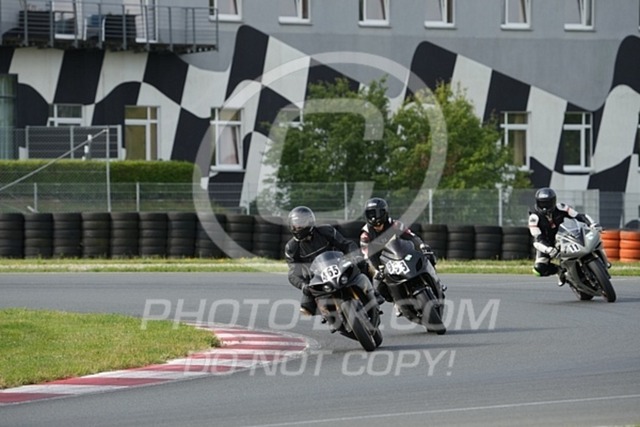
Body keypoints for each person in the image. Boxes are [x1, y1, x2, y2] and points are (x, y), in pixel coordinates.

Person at [284, 206, 382, 316]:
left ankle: (373, 292)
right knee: (305, 309)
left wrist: (355, 256)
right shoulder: (291, 247)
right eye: (296, 224)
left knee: (362, 264)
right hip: (317, 278)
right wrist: (303, 285)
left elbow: (346, 244)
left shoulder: (325, 230)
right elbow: (293, 271)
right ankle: (328, 314)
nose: (299, 227)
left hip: (339, 265)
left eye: (302, 223)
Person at [359, 197, 444, 315]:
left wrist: (421, 246)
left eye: (377, 213)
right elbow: (367, 255)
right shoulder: (365, 234)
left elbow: (411, 237)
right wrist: (377, 269)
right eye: (371, 213)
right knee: (377, 285)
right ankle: (396, 301)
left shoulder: (395, 225)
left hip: (402, 254)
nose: (374, 217)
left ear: (384, 212)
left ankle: (436, 282)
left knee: (427, 255)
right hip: (382, 263)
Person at [528, 187, 608, 286]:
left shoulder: (561, 207)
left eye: (548, 203)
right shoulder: (534, 217)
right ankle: (559, 270)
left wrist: (592, 224)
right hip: (545, 244)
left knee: (592, 240)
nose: (545, 207)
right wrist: (548, 249)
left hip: (562, 236)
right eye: (542, 203)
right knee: (538, 269)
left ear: (553, 201)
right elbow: (537, 239)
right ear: (537, 203)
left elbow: (579, 216)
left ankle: (604, 261)